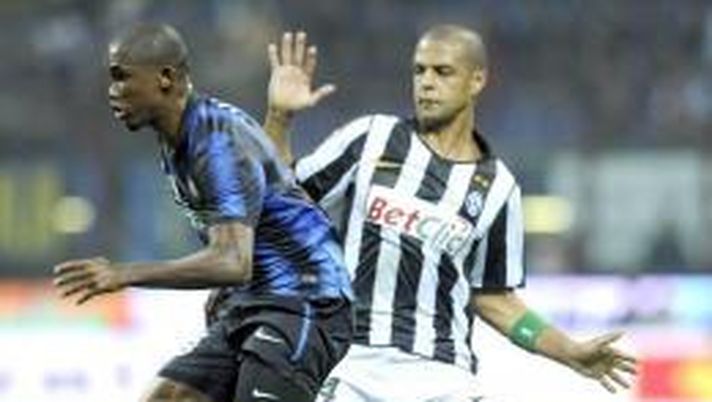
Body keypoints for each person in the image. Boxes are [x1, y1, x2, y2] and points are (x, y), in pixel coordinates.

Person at [263, 26, 637, 401]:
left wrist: (569, 351)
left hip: (443, 377)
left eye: (442, 72)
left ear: (477, 80)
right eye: (419, 70)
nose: (426, 82)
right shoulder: (371, 137)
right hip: (353, 364)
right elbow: (279, 202)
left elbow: (494, 298)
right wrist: (279, 117)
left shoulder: (498, 187)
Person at [52, 23, 353, 402]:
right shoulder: (178, 141)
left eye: (121, 76)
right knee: (168, 397)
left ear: (165, 77)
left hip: (304, 300)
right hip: (254, 300)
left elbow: (233, 261)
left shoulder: (216, 140)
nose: (112, 91)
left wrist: (122, 274)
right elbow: (251, 223)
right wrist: (225, 288)